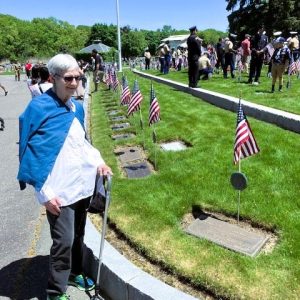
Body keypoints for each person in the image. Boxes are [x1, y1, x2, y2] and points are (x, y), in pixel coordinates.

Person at [17, 53, 113, 300]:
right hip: (58, 192)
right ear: (53, 78)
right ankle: (55, 291)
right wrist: (44, 193)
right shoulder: (38, 108)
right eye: (69, 78)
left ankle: (75, 273)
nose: (75, 82)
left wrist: (100, 163)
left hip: (80, 187)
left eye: (78, 77)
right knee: (64, 242)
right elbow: (31, 152)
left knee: (78, 236)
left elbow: (83, 145)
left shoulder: (76, 107)